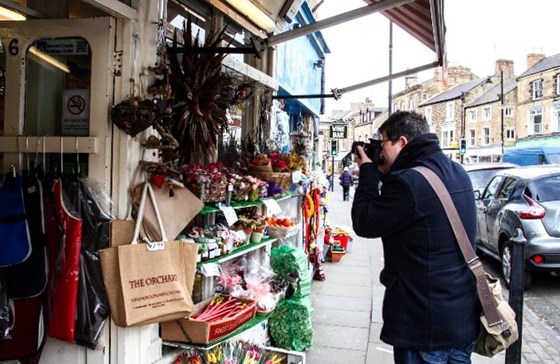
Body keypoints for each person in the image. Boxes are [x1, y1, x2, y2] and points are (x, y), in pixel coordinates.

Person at [351, 111, 480, 364]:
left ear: (402, 142)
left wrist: (367, 171)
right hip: (461, 318)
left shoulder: (408, 183)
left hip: (424, 324)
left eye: (383, 143)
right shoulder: (457, 171)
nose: (380, 151)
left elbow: (364, 222)